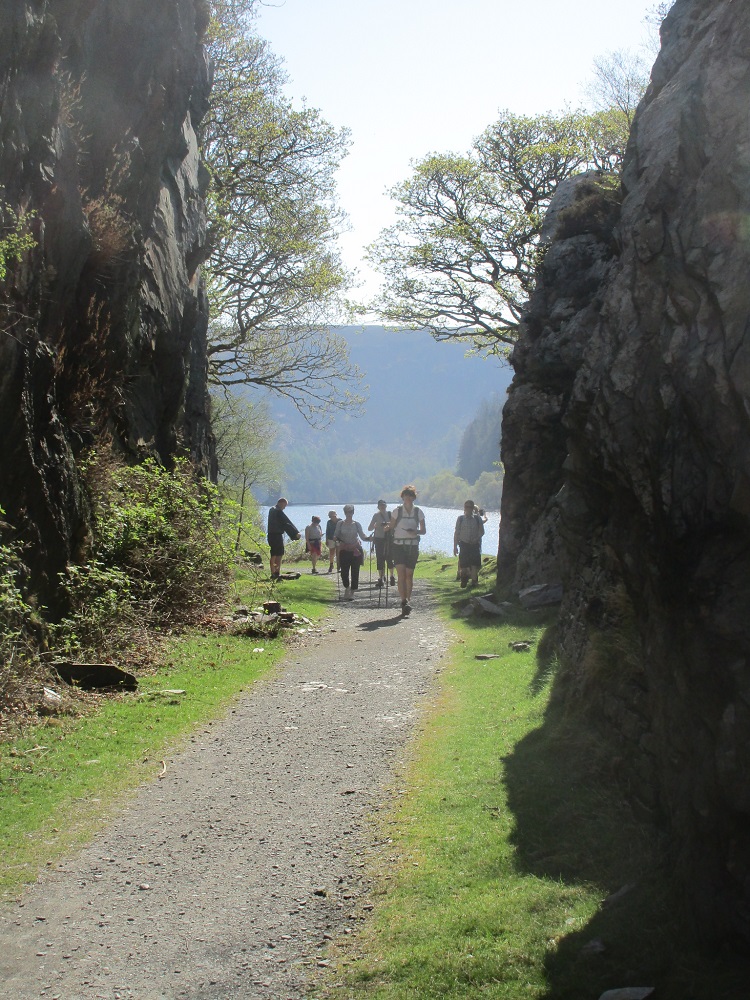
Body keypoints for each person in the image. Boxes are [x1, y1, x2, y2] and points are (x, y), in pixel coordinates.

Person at [385, 485, 426, 616]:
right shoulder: (397, 511)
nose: (408, 498)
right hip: (398, 546)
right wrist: (382, 528)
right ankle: (404, 601)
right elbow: (390, 527)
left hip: (412, 546)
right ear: (402, 497)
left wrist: (416, 531)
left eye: (410, 496)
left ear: (414, 498)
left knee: (409, 575)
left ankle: (408, 599)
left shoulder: (418, 512)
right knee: (401, 575)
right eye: (405, 495)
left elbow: (423, 530)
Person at [333, 504, 371, 601]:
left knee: (355, 571)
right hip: (344, 550)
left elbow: (362, 536)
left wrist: (370, 539)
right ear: (344, 513)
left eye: (350, 512)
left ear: (353, 513)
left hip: (355, 551)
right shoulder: (340, 523)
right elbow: (335, 535)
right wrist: (337, 541)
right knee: (344, 572)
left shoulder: (357, 524)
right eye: (347, 512)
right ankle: (346, 587)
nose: (349, 514)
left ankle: (352, 592)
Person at [266, 498, 300, 580]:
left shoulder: (272, 510)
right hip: (276, 535)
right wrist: (295, 534)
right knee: (278, 554)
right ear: (281, 503)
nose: (284, 508)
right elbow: (286, 523)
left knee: (274, 554)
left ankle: (274, 573)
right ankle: (275, 572)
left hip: (271, 535)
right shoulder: (277, 511)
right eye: (285, 505)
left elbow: (284, 523)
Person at [454, 499, 485, 588]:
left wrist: (476, 539)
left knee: (474, 564)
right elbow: (456, 533)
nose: (468, 509)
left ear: (473, 508)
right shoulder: (460, 519)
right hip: (464, 544)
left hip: (474, 544)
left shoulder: (477, 518)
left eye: (470, 507)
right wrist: (455, 546)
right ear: (464, 508)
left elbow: (482, 532)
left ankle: (474, 582)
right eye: (466, 507)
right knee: (464, 565)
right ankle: (464, 579)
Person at [368, 499, 396, 589]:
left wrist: (387, 524)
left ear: (386, 506)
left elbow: (395, 524)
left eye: (383, 505)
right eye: (381, 505)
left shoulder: (390, 514)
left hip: (389, 539)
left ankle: (391, 576)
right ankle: (381, 578)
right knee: (380, 558)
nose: (382, 507)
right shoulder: (376, 515)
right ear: (378, 507)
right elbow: (369, 528)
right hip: (379, 539)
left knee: (389, 558)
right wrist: (375, 526)